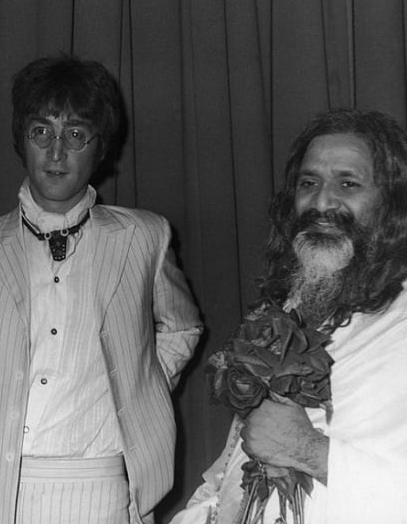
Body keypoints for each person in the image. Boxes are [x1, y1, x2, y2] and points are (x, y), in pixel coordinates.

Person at [0, 55, 203, 524]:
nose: (56, 152)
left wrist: (135, 385)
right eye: (41, 132)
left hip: (102, 486)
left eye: (75, 134)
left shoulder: (145, 237)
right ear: (21, 139)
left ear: (100, 148)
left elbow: (182, 328)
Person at [170, 109, 407, 524]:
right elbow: (236, 461)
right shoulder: (295, 309)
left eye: (348, 184)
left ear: (391, 204)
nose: (322, 203)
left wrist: (309, 451)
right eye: (308, 183)